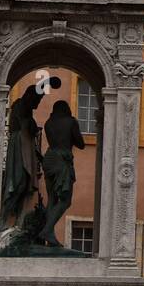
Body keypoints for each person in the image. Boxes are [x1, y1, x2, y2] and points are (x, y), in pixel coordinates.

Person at [0, 76, 61, 227]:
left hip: (25, 148)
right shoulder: (21, 107)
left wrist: (40, 157)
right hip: (20, 149)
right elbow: (27, 132)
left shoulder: (26, 112)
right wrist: (49, 82)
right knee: (18, 183)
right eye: (37, 100)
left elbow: (31, 141)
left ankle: (17, 222)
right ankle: (2, 221)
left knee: (25, 186)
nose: (38, 103)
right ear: (31, 97)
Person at [37, 99, 85, 247]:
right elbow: (81, 144)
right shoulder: (71, 122)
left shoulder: (48, 123)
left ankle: (50, 236)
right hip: (61, 161)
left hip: (49, 159)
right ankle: (46, 230)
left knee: (52, 199)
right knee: (65, 200)